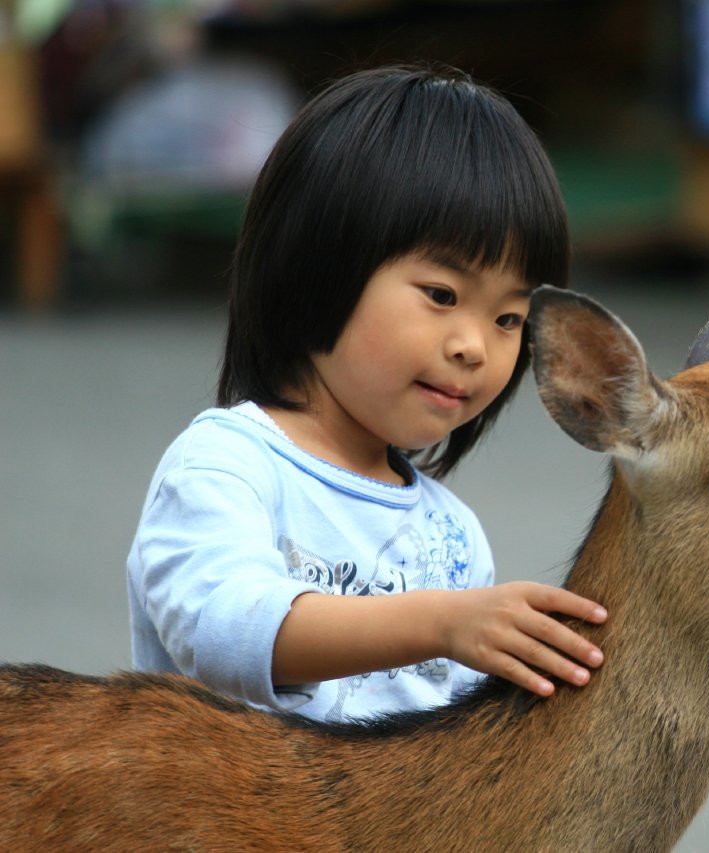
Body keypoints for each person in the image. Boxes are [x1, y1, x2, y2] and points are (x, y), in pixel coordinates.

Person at [126, 65, 607, 724]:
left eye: (508, 319)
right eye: (442, 295)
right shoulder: (226, 466)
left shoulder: (454, 537)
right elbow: (223, 630)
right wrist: (439, 623)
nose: (474, 345)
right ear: (316, 266)